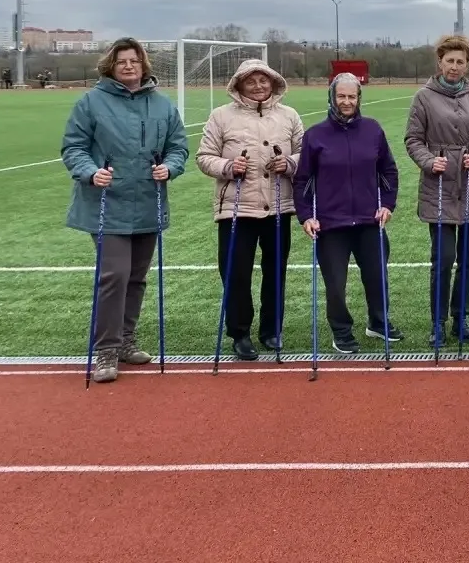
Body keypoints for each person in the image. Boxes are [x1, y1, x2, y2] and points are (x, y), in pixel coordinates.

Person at [60, 37, 190, 384]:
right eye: (122, 62)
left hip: (148, 202)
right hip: (106, 204)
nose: (129, 66)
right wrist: (91, 172)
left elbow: (178, 146)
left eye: (134, 61)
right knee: (113, 277)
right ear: (111, 67)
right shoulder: (90, 103)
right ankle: (106, 349)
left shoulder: (162, 106)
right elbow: (73, 146)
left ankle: (126, 341)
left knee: (136, 277)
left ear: (143, 65)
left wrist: (171, 167)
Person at [195, 58, 305, 360]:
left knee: (276, 272)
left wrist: (291, 163)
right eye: (251, 81)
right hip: (236, 209)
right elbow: (204, 156)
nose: (258, 86)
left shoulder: (289, 115)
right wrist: (229, 166)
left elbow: (304, 152)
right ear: (239, 85)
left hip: (279, 208)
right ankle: (240, 333)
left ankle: (272, 330)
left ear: (272, 82)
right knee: (235, 274)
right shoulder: (220, 116)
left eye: (263, 80)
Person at [292, 72, 402, 354]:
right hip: (331, 225)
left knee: (377, 277)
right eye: (341, 96)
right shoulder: (315, 135)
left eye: (352, 96)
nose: (346, 101)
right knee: (336, 284)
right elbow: (303, 179)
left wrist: (387, 204)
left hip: (369, 221)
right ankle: (341, 331)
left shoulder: (373, 130)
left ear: (359, 98)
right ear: (332, 97)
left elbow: (387, 170)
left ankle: (378, 322)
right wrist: (306, 216)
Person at [404, 34, 469, 346]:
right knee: (443, 259)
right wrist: (430, 161)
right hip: (440, 188)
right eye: (449, 61)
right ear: (440, 63)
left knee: (468, 260)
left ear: (467, 65)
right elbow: (413, 139)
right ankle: (438, 323)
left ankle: (461, 319)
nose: (455, 67)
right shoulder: (423, 97)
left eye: (460, 62)